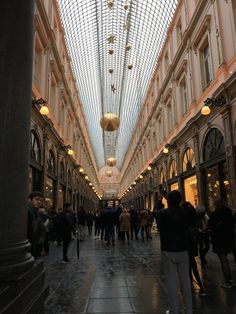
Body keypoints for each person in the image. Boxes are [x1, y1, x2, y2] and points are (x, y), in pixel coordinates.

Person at [157, 190, 192, 314]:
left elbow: (158, 221)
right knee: (186, 280)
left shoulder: (163, 214)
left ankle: (173, 310)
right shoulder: (185, 213)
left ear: (169, 201)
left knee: (171, 281)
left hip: (168, 250)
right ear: (180, 200)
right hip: (183, 249)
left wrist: (159, 200)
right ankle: (189, 310)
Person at [208, 198, 235, 288]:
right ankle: (229, 277)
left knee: (223, 259)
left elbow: (210, 225)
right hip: (229, 238)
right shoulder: (229, 213)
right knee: (225, 259)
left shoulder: (216, 214)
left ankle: (228, 281)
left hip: (220, 239)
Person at [182, 202, 206, 296]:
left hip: (185, 245)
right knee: (193, 265)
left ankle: (190, 285)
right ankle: (201, 286)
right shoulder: (194, 217)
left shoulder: (183, 219)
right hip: (192, 244)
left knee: (187, 266)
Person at [27, 191, 46, 259]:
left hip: (34, 247)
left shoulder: (37, 213)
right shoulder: (27, 212)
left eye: (41, 200)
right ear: (29, 199)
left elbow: (42, 230)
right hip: (28, 248)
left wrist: (40, 242)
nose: (39, 202)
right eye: (37, 199)